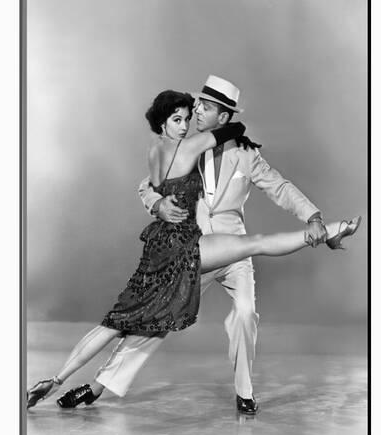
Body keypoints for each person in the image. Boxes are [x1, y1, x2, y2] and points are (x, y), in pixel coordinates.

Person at [27, 81, 361, 413]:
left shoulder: (245, 154)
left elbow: (280, 187)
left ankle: (244, 393)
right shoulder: (186, 146)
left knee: (245, 314)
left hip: (233, 249)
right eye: (194, 107)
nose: (196, 112)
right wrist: (158, 205)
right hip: (192, 250)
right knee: (152, 323)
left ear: (223, 116)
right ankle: (97, 387)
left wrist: (313, 214)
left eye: (204, 107)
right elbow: (147, 185)